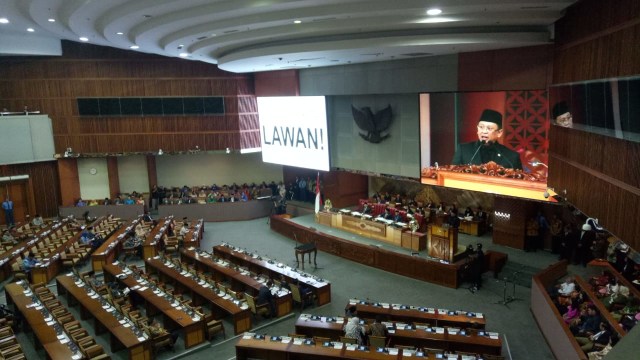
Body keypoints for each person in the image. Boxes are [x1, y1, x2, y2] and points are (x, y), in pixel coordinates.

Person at [451, 109, 523, 169]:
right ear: (477, 129)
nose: (484, 131)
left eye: (489, 128)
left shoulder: (511, 157)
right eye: (481, 127)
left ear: (499, 133)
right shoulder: (464, 150)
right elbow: (452, 175)